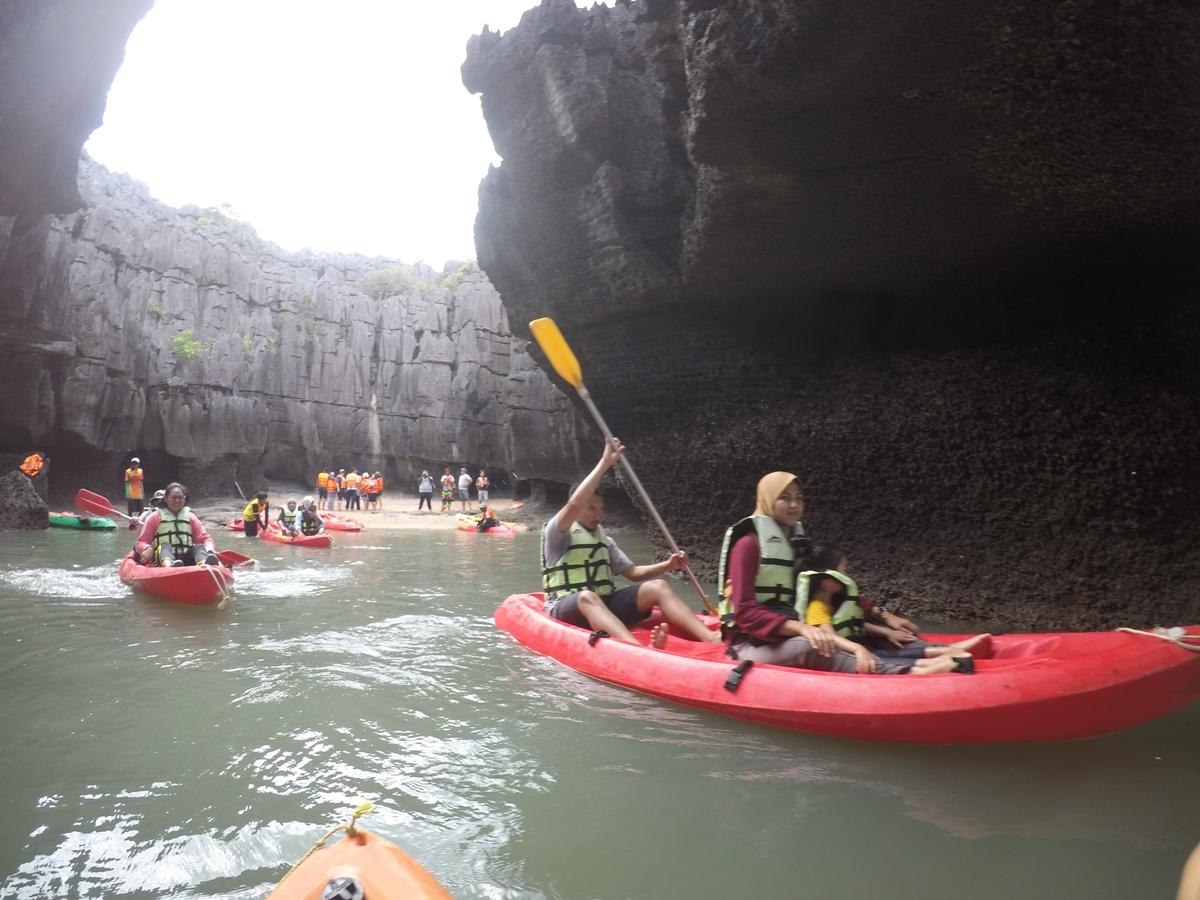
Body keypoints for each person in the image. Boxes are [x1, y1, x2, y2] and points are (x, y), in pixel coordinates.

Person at [717, 472, 966, 674]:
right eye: (784, 498)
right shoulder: (748, 544)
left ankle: (928, 655)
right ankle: (912, 672)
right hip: (750, 643)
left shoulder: (797, 543)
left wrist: (884, 615)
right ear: (768, 499)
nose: (794, 505)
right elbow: (745, 612)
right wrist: (802, 628)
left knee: (843, 631)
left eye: (799, 498)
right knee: (813, 644)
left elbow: (831, 586)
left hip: (789, 630)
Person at [542, 438, 721, 647]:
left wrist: (668, 565)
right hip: (567, 606)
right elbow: (574, 503)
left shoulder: (604, 540)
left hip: (603, 605)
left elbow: (634, 573)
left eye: (601, 508)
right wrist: (605, 463)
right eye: (591, 508)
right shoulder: (557, 533)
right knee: (587, 596)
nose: (598, 514)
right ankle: (636, 648)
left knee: (658, 587)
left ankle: (710, 637)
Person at [797, 541, 986, 669]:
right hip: (849, 656)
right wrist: (857, 649)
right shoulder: (817, 607)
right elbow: (830, 637)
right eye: (844, 569)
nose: (847, 574)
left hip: (862, 647)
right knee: (884, 658)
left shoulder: (835, 600)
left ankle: (948, 649)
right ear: (827, 580)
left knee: (886, 648)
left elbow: (852, 624)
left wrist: (887, 632)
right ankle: (943, 657)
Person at [133, 482, 219, 567]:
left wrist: (209, 550)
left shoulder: (191, 517)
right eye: (173, 498)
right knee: (165, 546)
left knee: (199, 547)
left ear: (184, 499)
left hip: (185, 558)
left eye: (180, 498)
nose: (177, 501)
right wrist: (147, 548)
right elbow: (141, 542)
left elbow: (205, 538)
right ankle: (169, 566)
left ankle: (204, 565)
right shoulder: (154, 517)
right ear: (166, 499)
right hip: (160, 559)